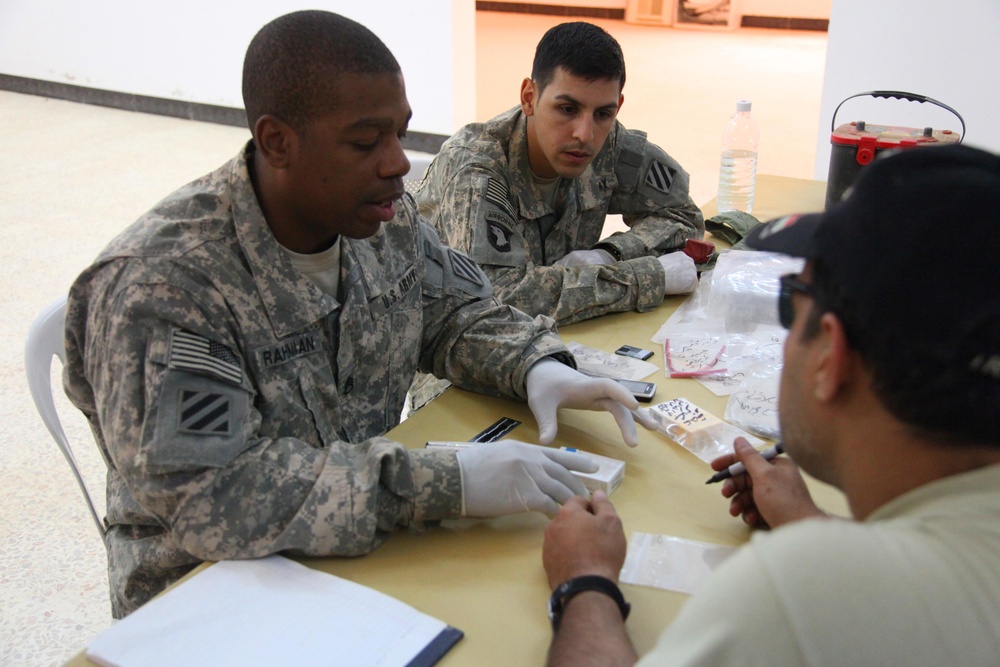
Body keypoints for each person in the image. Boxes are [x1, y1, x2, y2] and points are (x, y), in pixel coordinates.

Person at [63, 10, 648, 618]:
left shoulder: (377, 219)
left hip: (360, 551)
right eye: (366, 142)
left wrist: (537, 366)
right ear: (277, 141)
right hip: (210, 597)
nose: (398, 162)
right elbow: (216, 496)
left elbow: (454, 311)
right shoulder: (163, 286)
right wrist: (450, 481)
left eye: (399, 132)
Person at [541, 144, 1000, 666]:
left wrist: (585, 582)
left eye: (790, 302)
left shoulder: (798, 593)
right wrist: (808, 521)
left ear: (832, 355)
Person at [416, 21, 705, 328]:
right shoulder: (477, 170)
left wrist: (610, 253)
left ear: (617, 107)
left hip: (555, 337)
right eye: (567, 109)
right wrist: (643, 278)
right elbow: (501, 298)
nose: (585, 134)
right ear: (529, 97)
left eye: (603, 113)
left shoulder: (610, 144)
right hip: (451, 356)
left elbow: (683, 216)